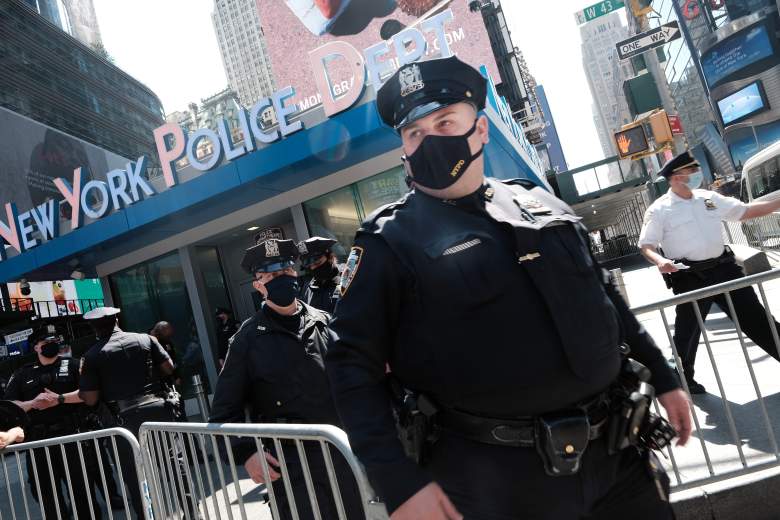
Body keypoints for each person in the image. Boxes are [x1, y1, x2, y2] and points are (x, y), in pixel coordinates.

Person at [325, 56, 692, 520]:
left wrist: (664, 377)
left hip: (617, 460)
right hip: (492, 487)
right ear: (403, 149)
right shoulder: (387, 242)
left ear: (479, 130)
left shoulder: (539, 202)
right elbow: (350, 369)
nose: (429, 141)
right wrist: (397, 483)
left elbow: (605, 298)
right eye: (414, 133)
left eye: (444, 122)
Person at [209, 237, 363, 520]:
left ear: (295, 273)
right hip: (291, 465)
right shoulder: (246, 340)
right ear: (258, 285)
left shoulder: (325, 323)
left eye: (286, 271)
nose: (282, 279)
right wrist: (246, 453)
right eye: (272, 275)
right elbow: (222, 413)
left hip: (343, 454)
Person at [639, 151, 780, 394]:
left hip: (725, 270)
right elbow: (646, 245)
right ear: (674, 178)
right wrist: (660, 261)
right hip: (690, 277)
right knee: (687, 332)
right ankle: (681, 379)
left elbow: (744, 212)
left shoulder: (707, 198)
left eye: (695, 170)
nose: (695, 175)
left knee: (757, 319)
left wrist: (777, 203)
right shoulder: (660, 210)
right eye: (690, 172)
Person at [79, 307, 196, 519]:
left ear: (93, 328)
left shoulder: (92, 356)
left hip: (123, 421)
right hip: (158, 411)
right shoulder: (145, 340)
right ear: (116, 319)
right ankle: (192, 514)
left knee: (134, 476)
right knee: (174, 465)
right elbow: (169, 368)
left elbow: (91, 398)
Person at [5, 324, 103, 519]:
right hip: (39, 443)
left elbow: (88, 394)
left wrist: (60, 399)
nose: (51, 344)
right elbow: (10, 404)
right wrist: (32, 403)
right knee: (46, 493)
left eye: (54, 341)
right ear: (35, 347)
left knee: (81, 489)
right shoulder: (22, 373)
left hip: (72, 438)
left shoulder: (74, 365)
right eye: (45, 342)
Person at [297, 236, 341, 313]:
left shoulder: (347, 280)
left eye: (317, 263)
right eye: (310, 266)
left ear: (330, 257)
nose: (314, 268)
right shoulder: (308, 287)